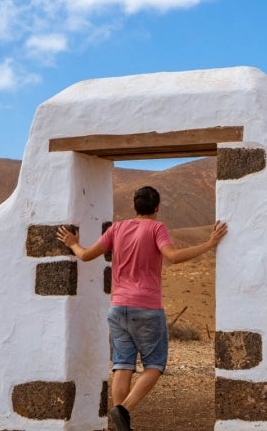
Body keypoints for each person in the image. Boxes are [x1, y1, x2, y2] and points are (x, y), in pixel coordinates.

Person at [57, 185, 228, 431]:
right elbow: (174, 256)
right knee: (155, 365)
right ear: (157, 208)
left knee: (122, 364)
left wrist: (73, 243)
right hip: (147, 308)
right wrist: (210, 244)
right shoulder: (157, 228)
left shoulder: (117, 229)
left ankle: (121, 426)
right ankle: (123, 409)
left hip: (118, 307)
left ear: (134, 206)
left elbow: (84, 256)